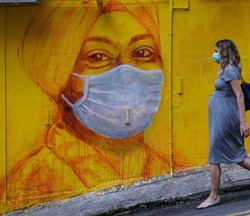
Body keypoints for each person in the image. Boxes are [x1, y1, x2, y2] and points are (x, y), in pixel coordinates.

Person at [0, 0, 185, 212]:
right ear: (60, 77)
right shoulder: (34, 180)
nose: (126, 72)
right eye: (98, 57)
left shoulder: (161, 166)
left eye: (142, 53)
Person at [196, 39, 250, 209]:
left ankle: (214, 197)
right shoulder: (228, 69)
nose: (214, 54)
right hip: (221, 117)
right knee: (236, 154)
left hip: (226, 118)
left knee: (215, 156)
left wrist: (243, 122)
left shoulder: (231, 70)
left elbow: (239, 96)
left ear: (224, 52)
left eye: (216, 51)